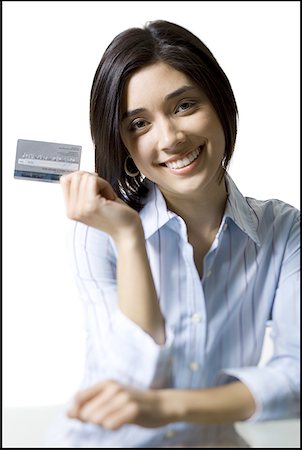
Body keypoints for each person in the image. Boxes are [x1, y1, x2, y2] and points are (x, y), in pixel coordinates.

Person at [50, 20, 300, 448]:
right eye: (139, 125)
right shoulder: (99, 233)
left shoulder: (284, 231)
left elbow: (296, 376)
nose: (170, 138)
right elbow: (129, 382)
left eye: (184, 106)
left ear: (221, 104)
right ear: (124, 146)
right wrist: (129, 241)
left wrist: (172, 406)